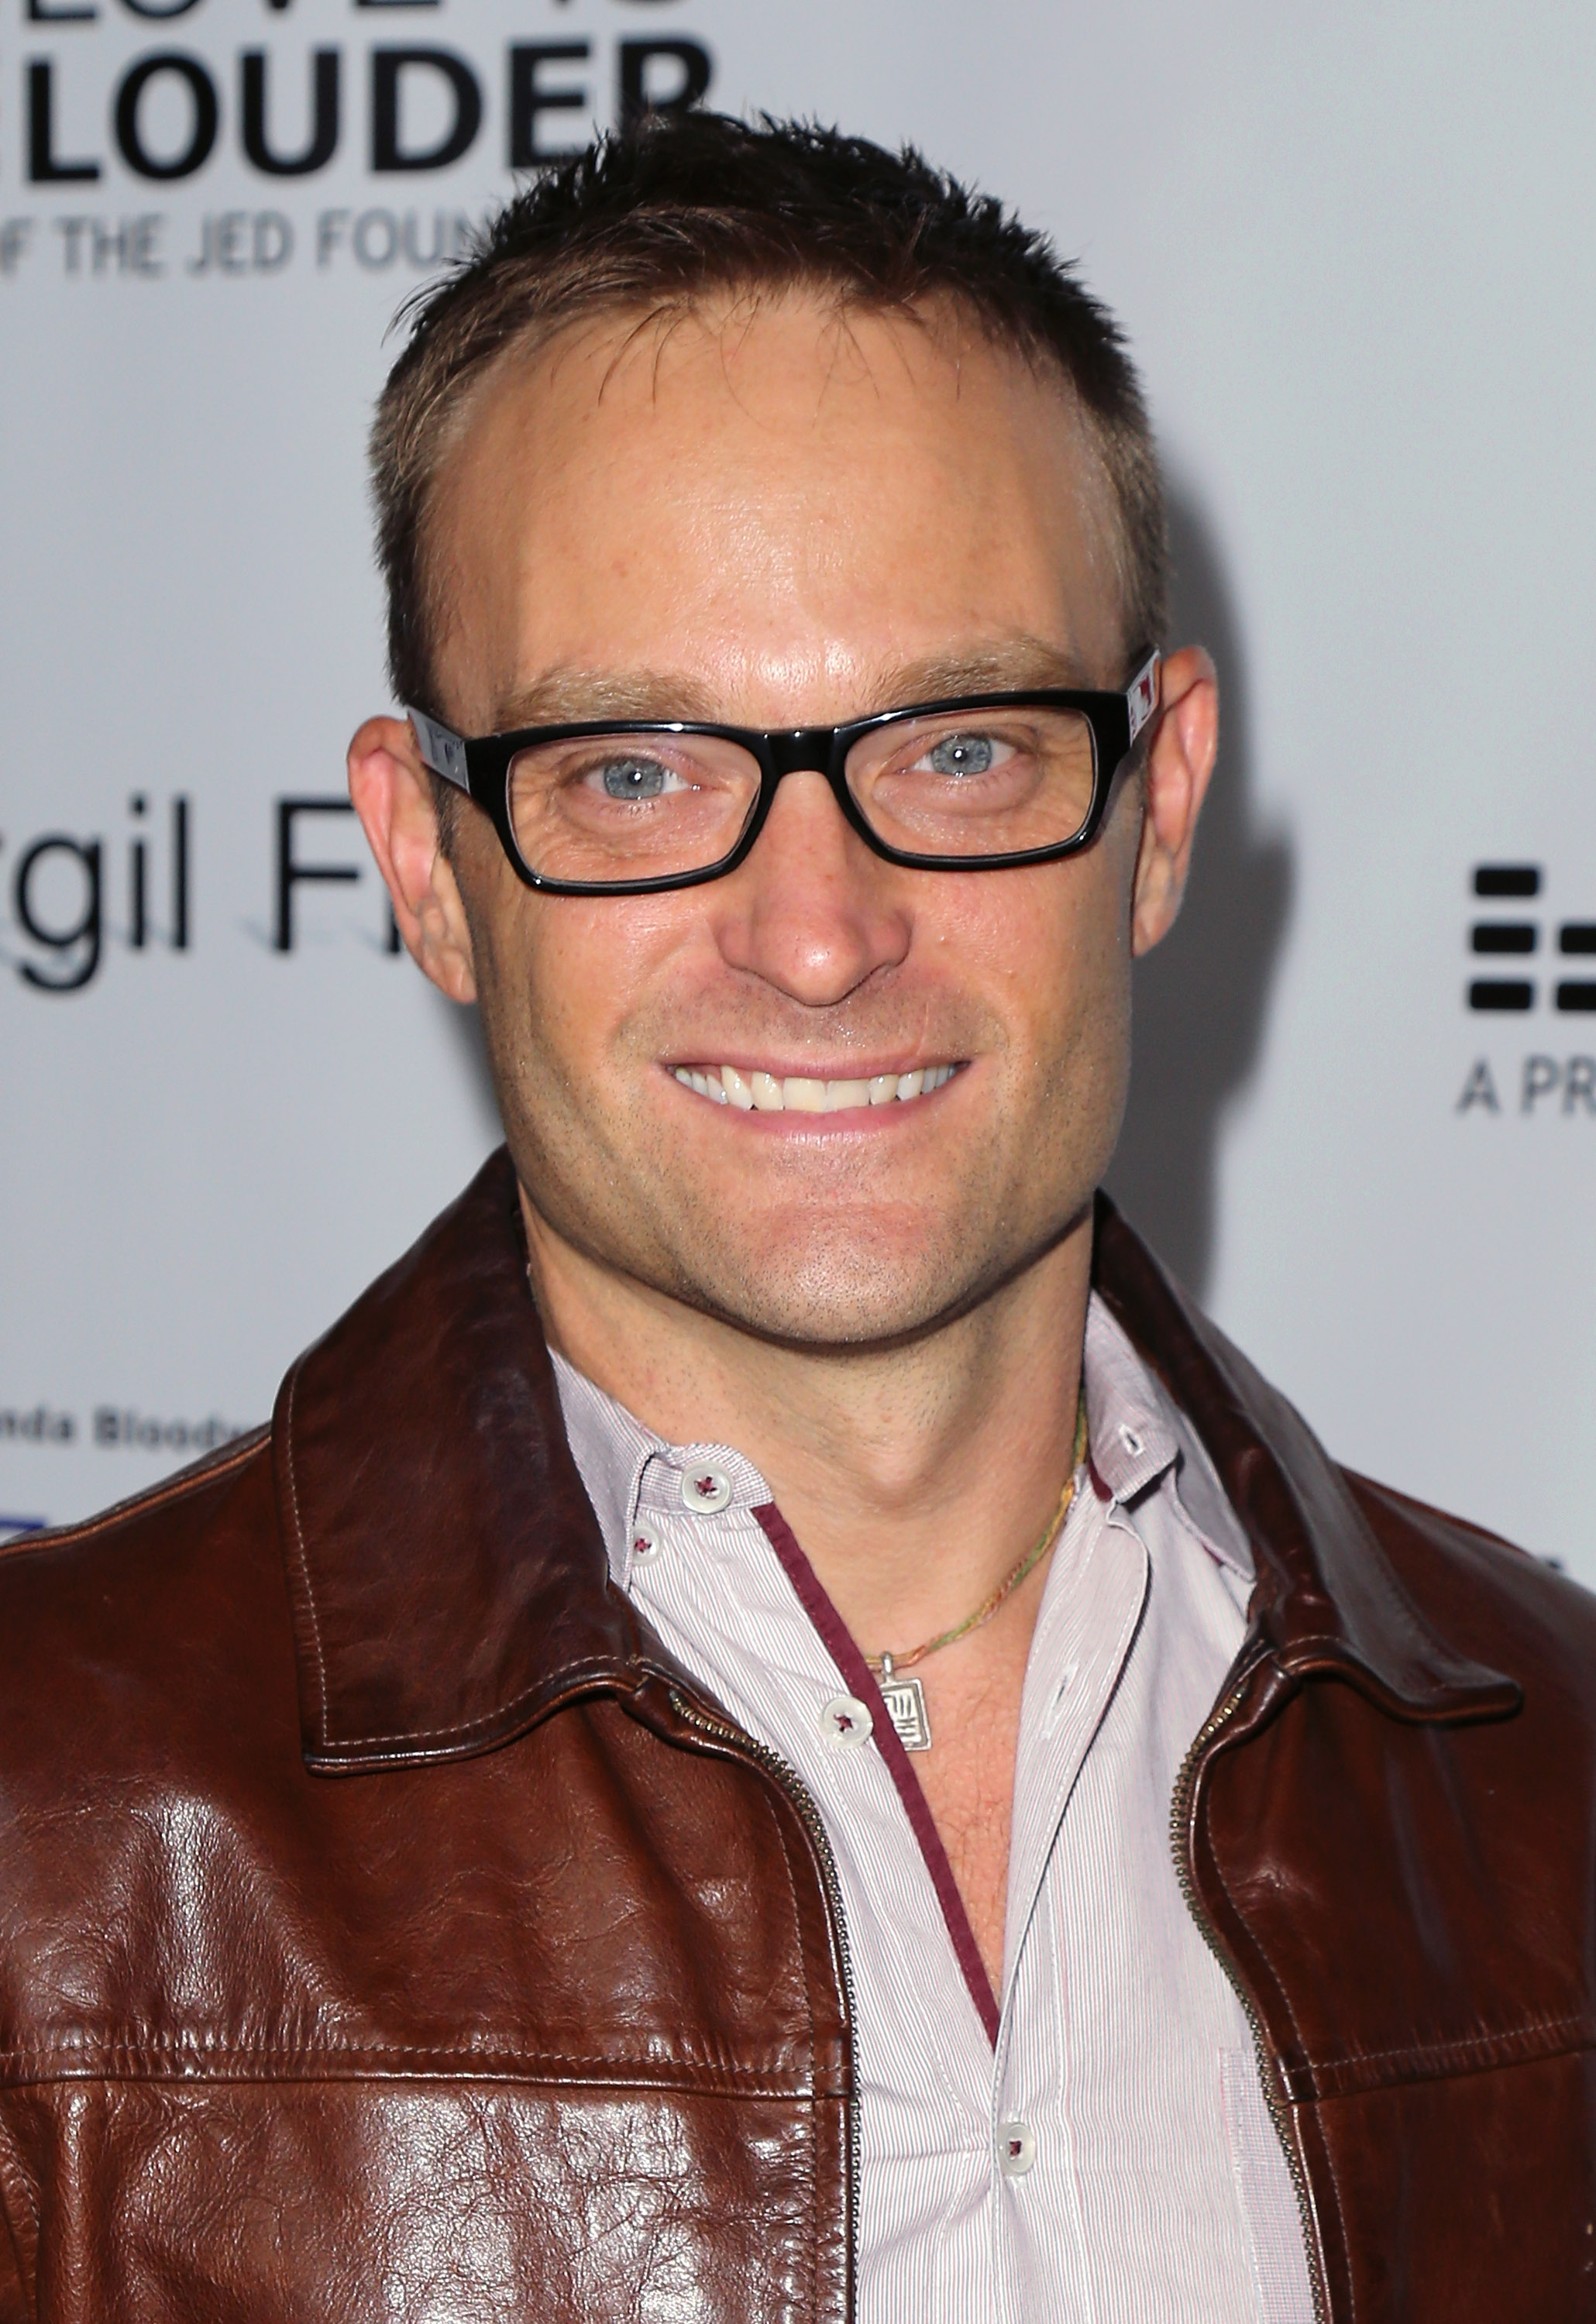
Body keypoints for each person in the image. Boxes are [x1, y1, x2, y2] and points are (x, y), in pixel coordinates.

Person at [0, 112, 1591, 2324]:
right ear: (427, 865)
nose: (818, 935)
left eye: (958, 749)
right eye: (632, 772)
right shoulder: (43, 1831)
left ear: (1157, 809)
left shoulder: (1549, 1776)